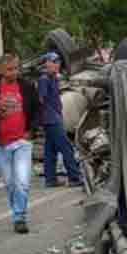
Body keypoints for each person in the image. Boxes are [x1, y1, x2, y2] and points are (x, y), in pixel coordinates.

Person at [0, 53, 40, 233]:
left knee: (22, 181)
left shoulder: (27, 86)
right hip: (0, 144)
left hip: (22, 141)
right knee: (10, 183)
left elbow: (37, 109)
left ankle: (19, 217)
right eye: (10, 69)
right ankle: (17, 212)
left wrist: (31, 130)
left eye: (16, 68)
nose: (14, 72)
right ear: (1, 70)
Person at [38, 53, 83, 188]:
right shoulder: (44, 79)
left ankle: (50, 179)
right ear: (46, 63)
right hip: (51, 119)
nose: (57, 65)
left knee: (50, 150)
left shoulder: (53, 78)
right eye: (53, 62)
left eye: (58, 62)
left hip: (53, 117)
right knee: (66, 147)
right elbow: (41, 99)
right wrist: (47, 116)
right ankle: (74, 177)